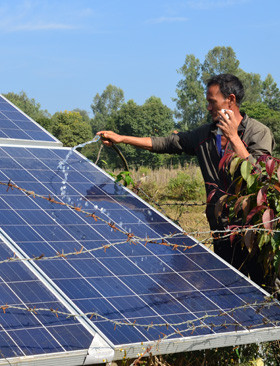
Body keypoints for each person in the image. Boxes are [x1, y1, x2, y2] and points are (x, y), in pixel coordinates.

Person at [97, 74, 275, 286]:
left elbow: (260, 178)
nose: (208, 107)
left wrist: (234, 138)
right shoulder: (205, 135)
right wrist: (121, 138)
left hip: (254, 234)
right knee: (227, 292)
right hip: (221, 231)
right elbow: (168, 143)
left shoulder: (258, 133)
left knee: (263, 292)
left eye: (212, 102)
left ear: (231, 100)